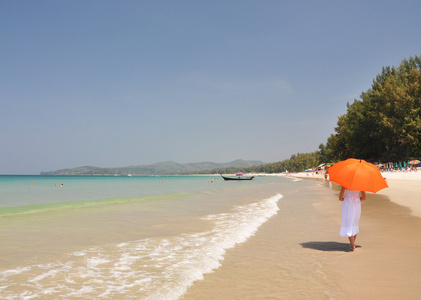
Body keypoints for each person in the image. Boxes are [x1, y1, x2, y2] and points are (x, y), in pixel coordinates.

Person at [339, 186, 366, 251]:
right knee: (354, 223)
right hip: (357, 204)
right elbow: (364, 198)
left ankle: (353, 246)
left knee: (349, 222)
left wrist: (346, 200)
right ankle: (352, 244)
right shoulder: (361, 185)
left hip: (347, 204)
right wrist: (356, 199)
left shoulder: (345, 184)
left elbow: (340, 198)